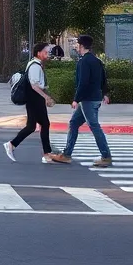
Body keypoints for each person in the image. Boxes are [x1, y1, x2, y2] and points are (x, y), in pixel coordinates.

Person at [48, 35, 111, 167]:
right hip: (94, 98)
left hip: (87, 99)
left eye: (77, 44)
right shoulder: (96, 60)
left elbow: (83, 83)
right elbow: (103, 78)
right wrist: (105, 93)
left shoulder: (84, 62)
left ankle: (106, 156)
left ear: (81, 46)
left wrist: (76, 99)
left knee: (94, 126)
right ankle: (66, 154)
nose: (76, 46)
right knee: (74, 123)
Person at [3, 43, 56, 163]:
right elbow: (34, 85)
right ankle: (46, 154)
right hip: (35, 98)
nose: (48, 55)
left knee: (32, 126)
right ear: (39, 53)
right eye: (46, 52)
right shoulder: (34, 66)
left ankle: (12, 144)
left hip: (35, 99)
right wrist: (46, 97)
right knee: (44, 124)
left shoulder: (35, 64)